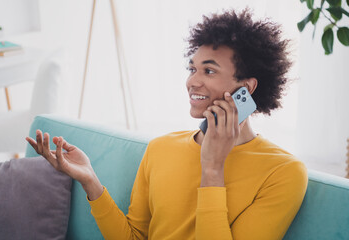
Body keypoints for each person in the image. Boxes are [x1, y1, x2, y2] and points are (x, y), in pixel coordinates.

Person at [26, 9, 308, 240]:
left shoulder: (284, 173)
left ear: (246, 87)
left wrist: (212, 169)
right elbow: (134, 237)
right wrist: (91, 181)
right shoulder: (161, 148)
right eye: (192, 69)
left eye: (209, 70)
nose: (192, 81)